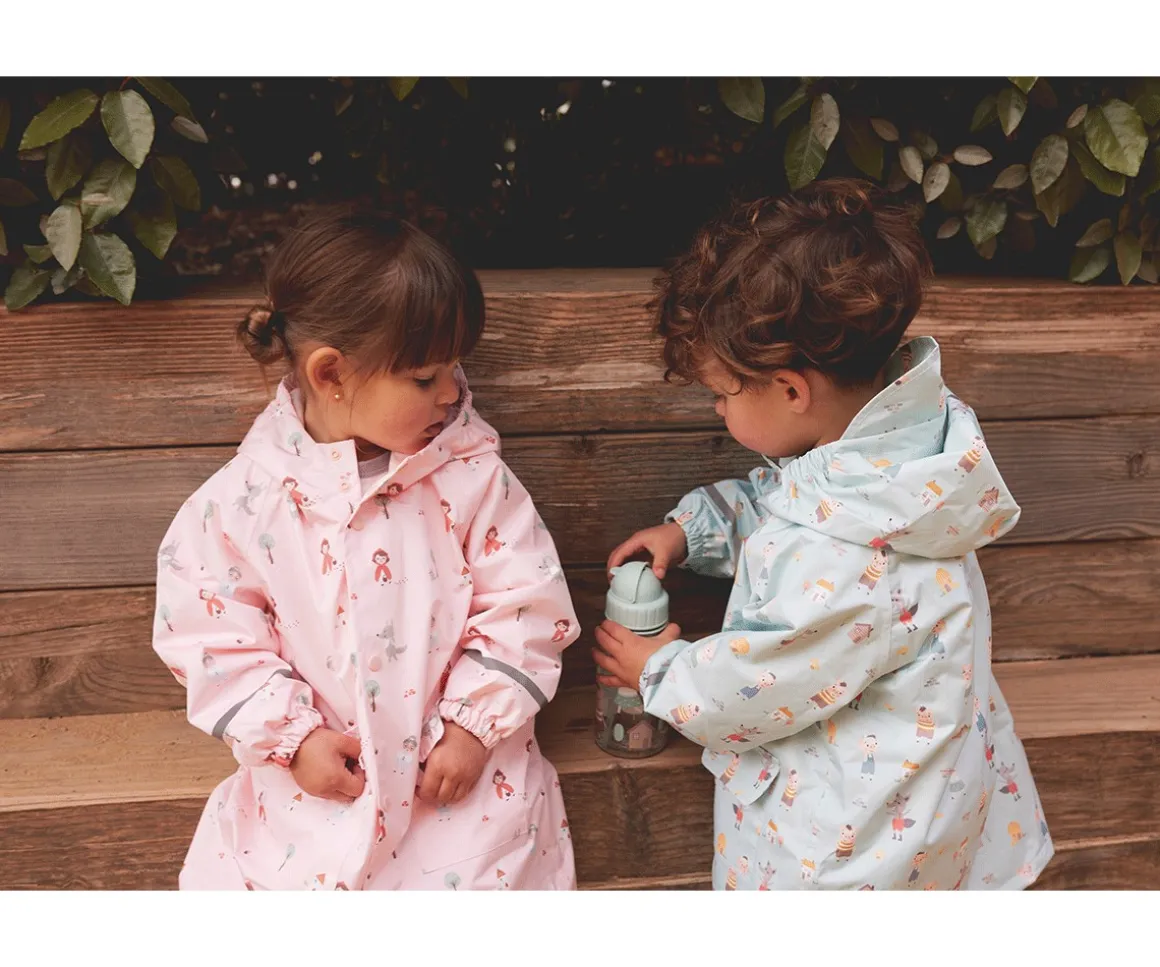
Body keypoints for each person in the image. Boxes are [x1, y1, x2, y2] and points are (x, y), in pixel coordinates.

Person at [597, 179, 1053, 890]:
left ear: (789, 390)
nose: (716, 409)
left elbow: (761, 682)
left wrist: (658, 669)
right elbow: (794, 503)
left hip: (854, 846)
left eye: (720, 393)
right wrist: (694, 532)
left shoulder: (847, 558)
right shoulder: (893, 458)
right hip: (924, 788)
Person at [154, 211, 579, 890]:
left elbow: (526, 603)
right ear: (331, 374)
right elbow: (208, 632)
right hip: (319, 783)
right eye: (424, 377)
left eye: (453, 368)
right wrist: (292, 737)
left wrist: (473, 724)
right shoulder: (244, 503)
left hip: (455, 776)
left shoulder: (472, 480)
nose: (452, 392)